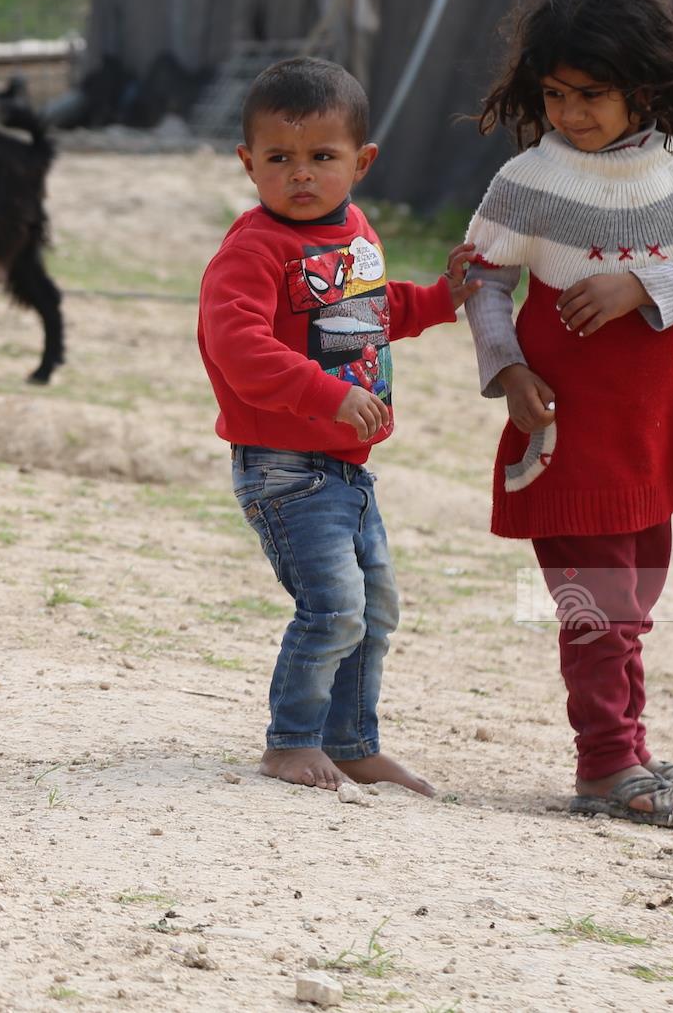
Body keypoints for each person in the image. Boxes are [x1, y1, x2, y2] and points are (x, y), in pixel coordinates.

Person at [463, 0, 673, 828]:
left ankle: (627, 747)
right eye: (555, 93)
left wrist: (640, 286)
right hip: (568, 429)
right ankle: (603, 764)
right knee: (597, 605)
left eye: (592, 94)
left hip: (655, 431)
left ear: (645, 86)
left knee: (634, 599)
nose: (570, 113)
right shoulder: (531, 181)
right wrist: (507, 369)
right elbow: (482, 279)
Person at [198, 56, 480, 797]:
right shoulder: (253, 250)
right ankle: (290, 740)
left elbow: (370, 309)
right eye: (279, 158)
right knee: (333, 606)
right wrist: (324, 393)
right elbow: (239, 346)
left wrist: (439, 299)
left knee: (375, 608)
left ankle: (351, 741)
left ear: (362, 160)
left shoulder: (353, 230)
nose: (300, 174)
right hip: (284, 465)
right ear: (247, 163)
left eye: (322, 157)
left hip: (347, 468)